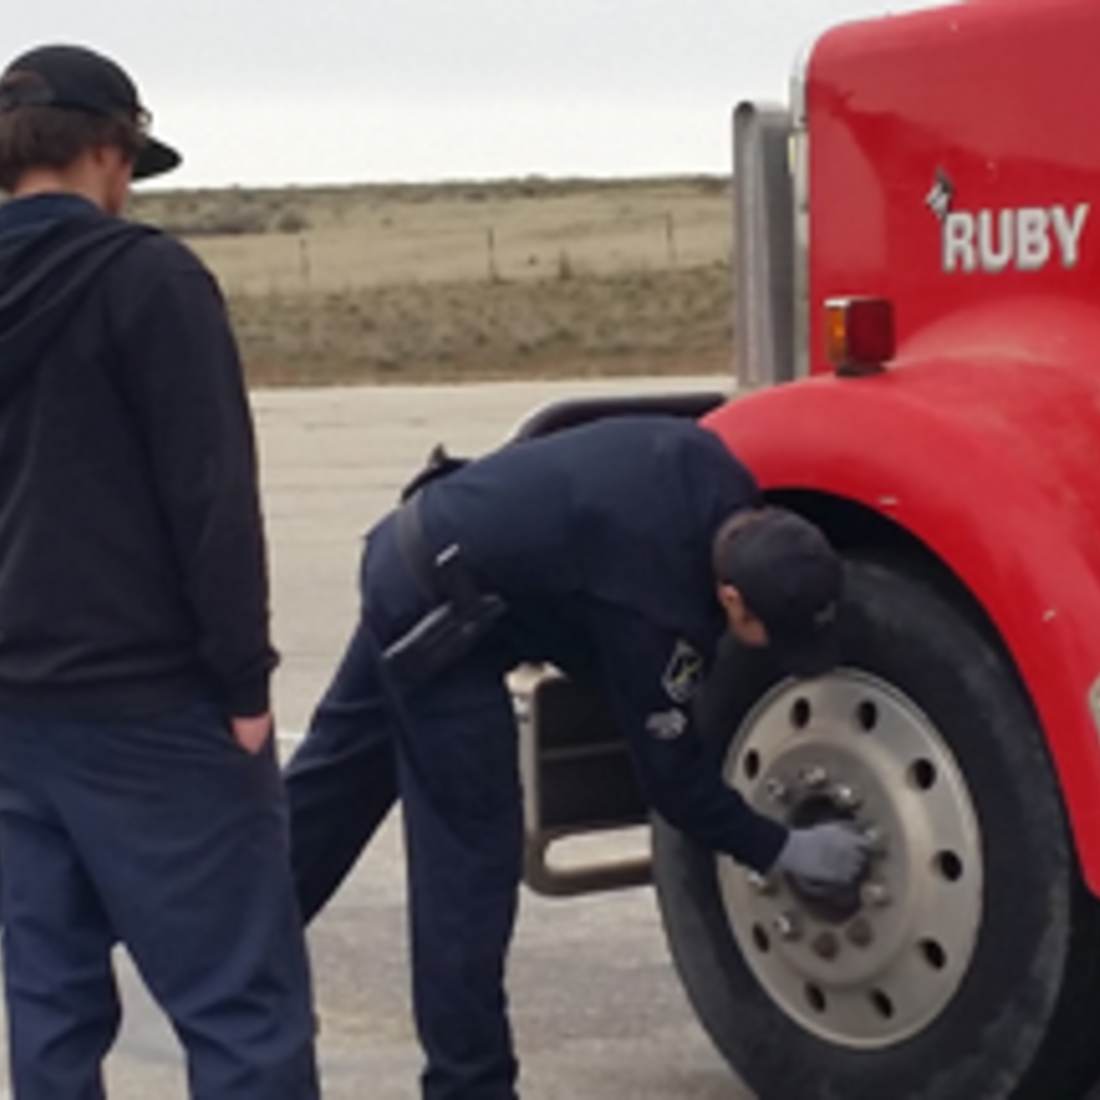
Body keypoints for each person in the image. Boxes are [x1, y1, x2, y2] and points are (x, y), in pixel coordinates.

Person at [285, 414, 867, 1100]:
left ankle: (212, 950)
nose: (772, 650)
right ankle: (468, 1087)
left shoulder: (717, 474)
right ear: (731, 597)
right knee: (470, 863)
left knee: (327, 796)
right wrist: (782, 849)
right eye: (770, 634)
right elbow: (673, 786)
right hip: (438, 614)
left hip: (428, 538)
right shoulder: (653, 611)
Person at [0, 45, 318, 1099]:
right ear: (106, 153)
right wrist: (244, 683)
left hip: (13, 708)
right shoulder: (148, 279)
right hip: (148, 703)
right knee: (240, 1004)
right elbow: (211, 497)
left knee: (50, 1003)